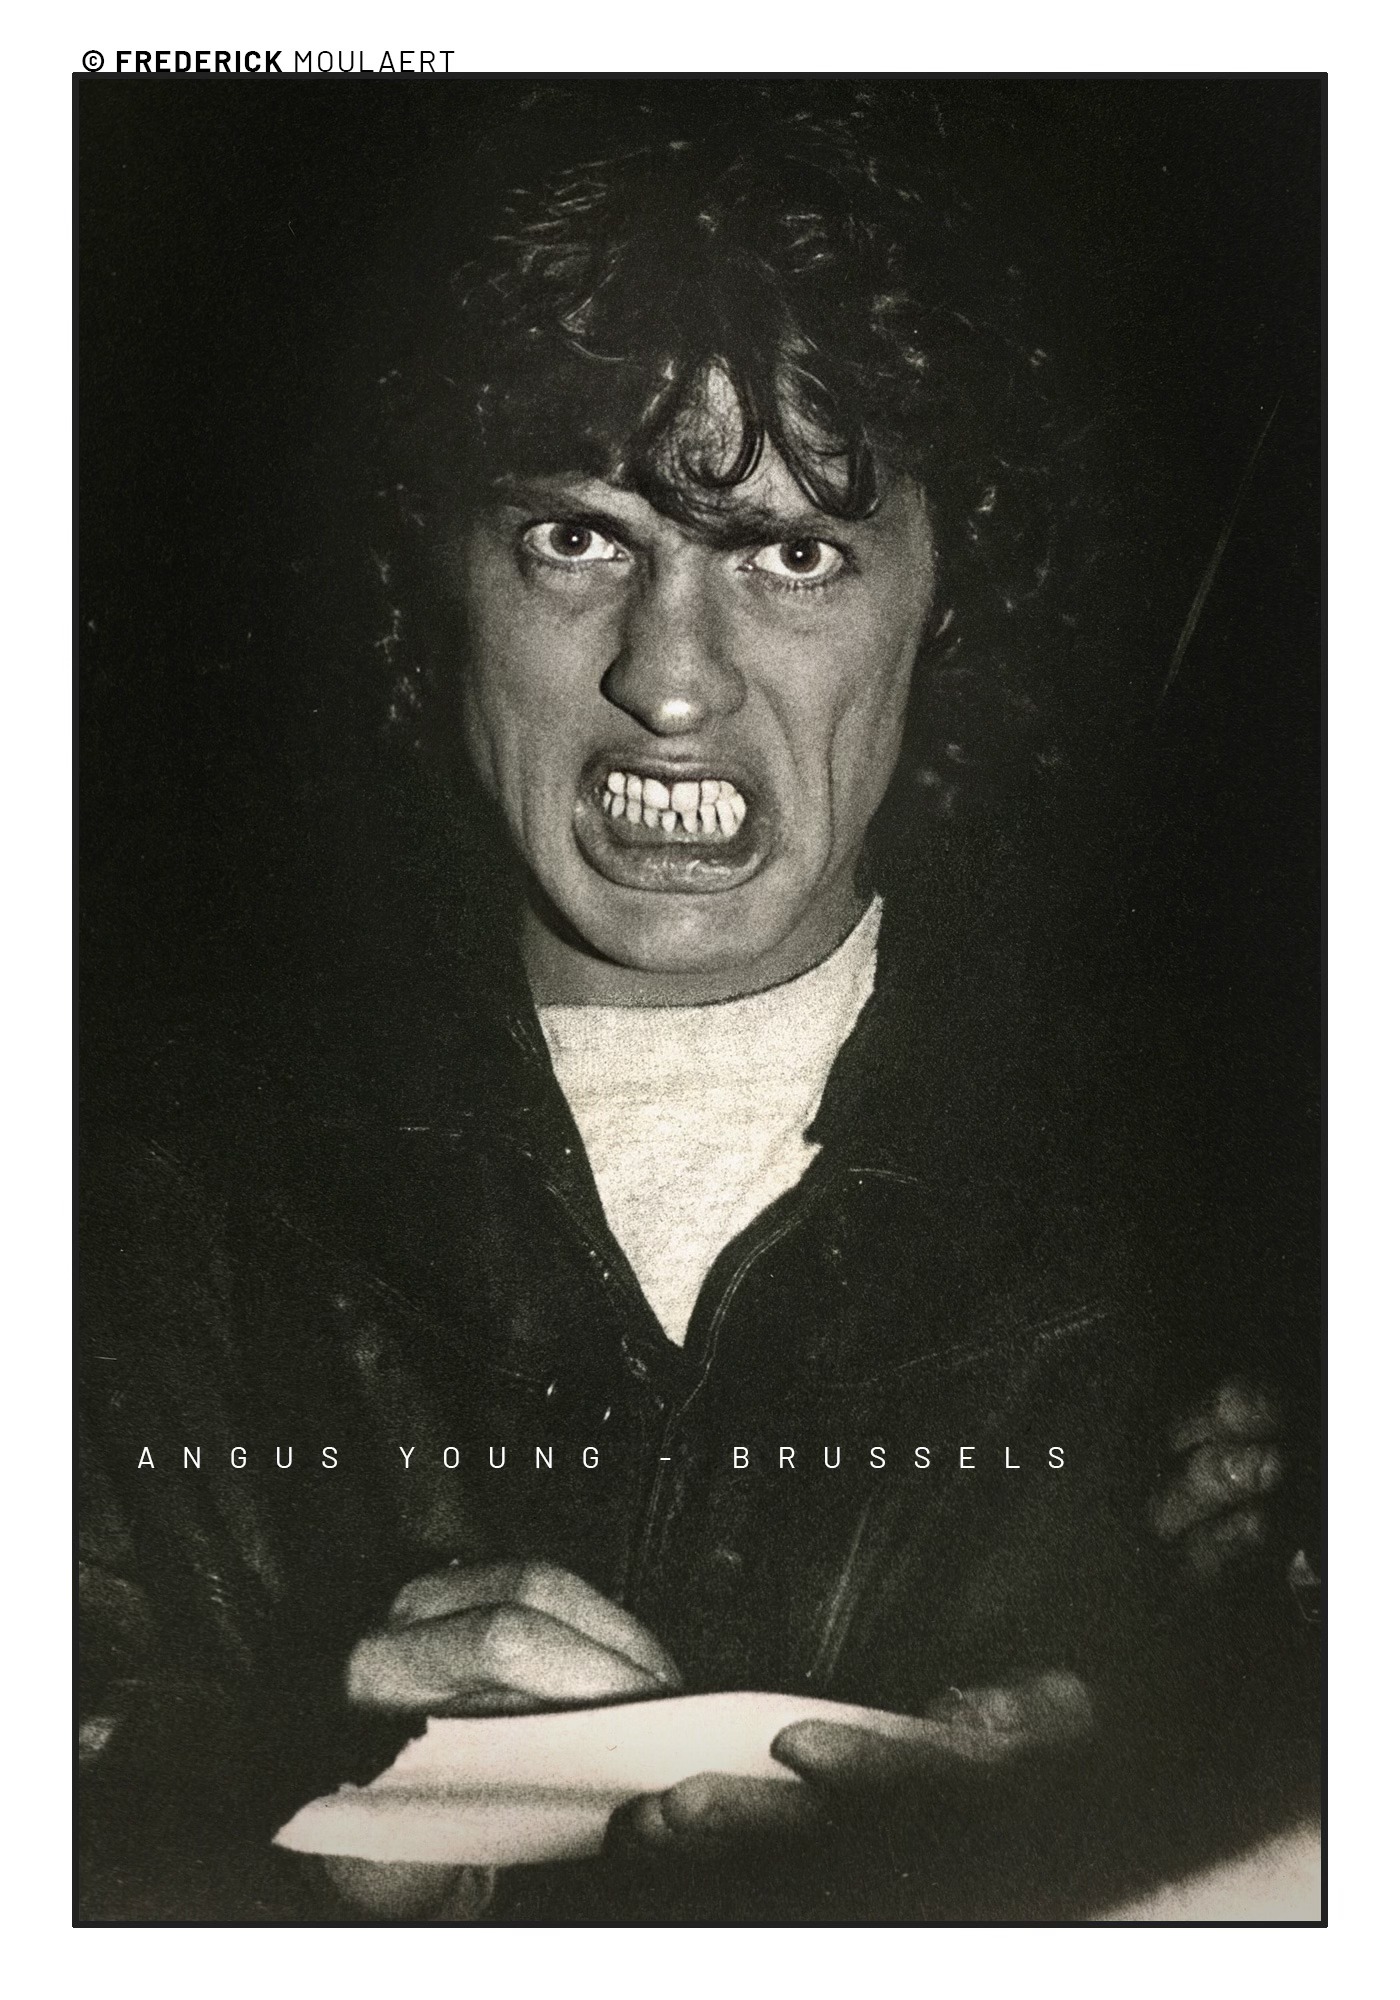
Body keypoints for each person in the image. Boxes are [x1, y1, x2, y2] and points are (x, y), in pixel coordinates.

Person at [79, 84, 1315, 1923]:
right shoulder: (137, 1214)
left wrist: (1128, 1833)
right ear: (440, 581)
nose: (669, 682)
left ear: (947, 601)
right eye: (579, 539)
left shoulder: (1222, 1243)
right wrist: (266, 1809)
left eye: (793, 554)